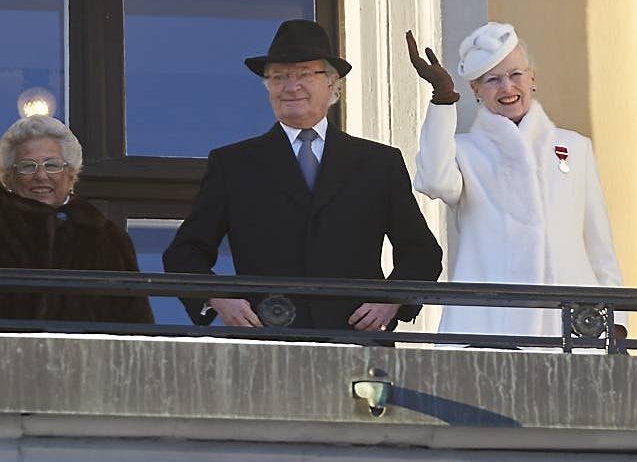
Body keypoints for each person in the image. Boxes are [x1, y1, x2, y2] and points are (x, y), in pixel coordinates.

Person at [162, 19, 443, 332]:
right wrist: (218, 298)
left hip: (356, 344)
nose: (291, 86)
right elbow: (184, 253)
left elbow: (422, 252)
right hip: (268, 344)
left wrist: (391, 300)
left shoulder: (378, 163)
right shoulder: (233, 164)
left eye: (305, 74)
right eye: (278, 77)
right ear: (268, 87)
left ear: (331, 82)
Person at [406, 23, 623, 338]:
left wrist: (617, 324)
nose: (507, 88)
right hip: (488, 327)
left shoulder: (575, 148)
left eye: (515, 75)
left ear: (532, 78)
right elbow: (434, 182)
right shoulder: (466, 152)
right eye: (492, 80)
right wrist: (442, 99)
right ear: (476, 91)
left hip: (573, 327)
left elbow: (599, 246)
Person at [0, 115, 154, 325]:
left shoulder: (107, 237)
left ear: (70, 173)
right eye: (28, 166)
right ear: (9, 177)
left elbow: (136, 320)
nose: (41, 176)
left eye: (52, 165)